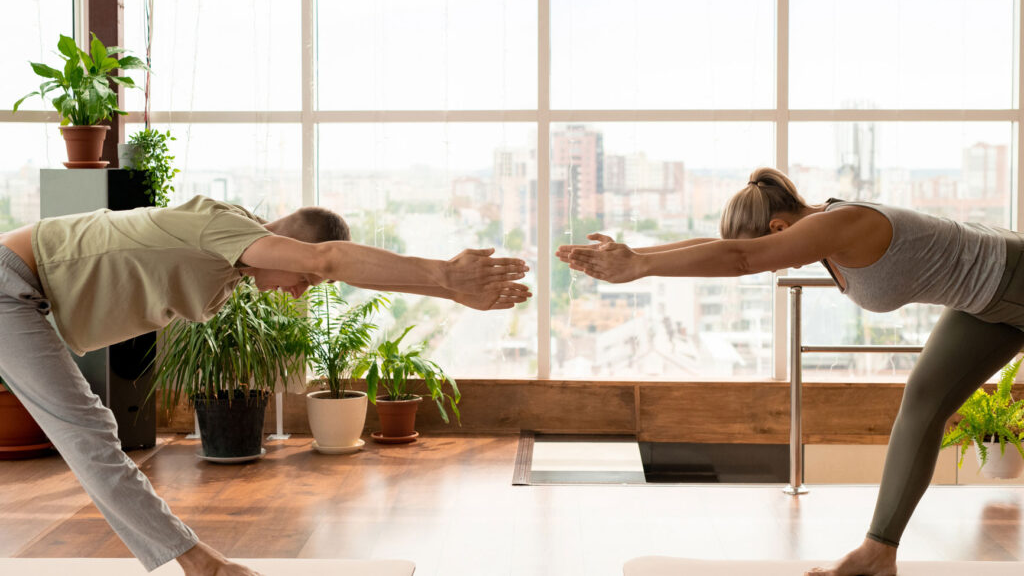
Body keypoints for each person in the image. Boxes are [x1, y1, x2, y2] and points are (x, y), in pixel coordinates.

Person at [0, 194, 531, 575]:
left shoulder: (229, 268)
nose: (301, 292)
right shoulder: (218, 226)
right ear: (283, 246)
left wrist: (450, 295)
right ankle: (202, 567)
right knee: (89, 432)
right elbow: (329, 260)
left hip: (25, 296)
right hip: (10, 285)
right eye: (305, 278)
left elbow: (332, 266)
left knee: (88, 431)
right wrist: (443, 274)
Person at [557, 166, 1024, 576]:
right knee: (923, 404)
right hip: (986, 303)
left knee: (923, 403)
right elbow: (724, 248)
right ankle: (878, 552)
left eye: (771, 250)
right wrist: (638, 254)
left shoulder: (842, 223)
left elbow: (738, 258)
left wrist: (641, 269)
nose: (768, 264)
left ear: (779, 227)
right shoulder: (816, 230)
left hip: (1015, 277)